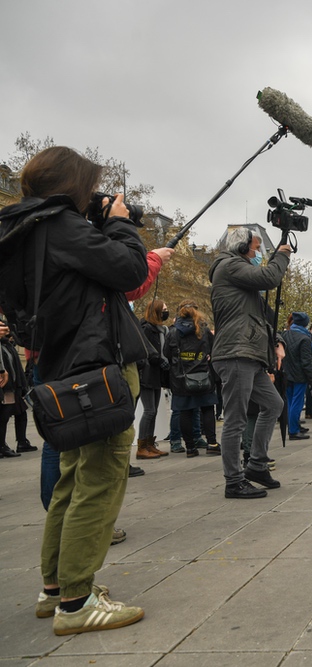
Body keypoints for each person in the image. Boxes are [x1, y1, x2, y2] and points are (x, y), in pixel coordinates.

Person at [0, 146, 148, 634]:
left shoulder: (22, 231)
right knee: (101, 476)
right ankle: (77, 602)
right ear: (73, 186)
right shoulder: (63, 229)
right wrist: (121, 223)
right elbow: (128, 270)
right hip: (97, 365)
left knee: (70, 477)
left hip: (58, 364)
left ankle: (54, 589)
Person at [210, 226, 291, 498]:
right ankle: (233, 481)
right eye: (256, 249)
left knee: (274, 404)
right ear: (243, 248)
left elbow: (265, 314)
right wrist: (281, 256)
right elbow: (270, 277)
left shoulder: (240, 279)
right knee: (235, 419)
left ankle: (256, 464)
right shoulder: (230, 266)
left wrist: (277, 341)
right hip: (235, 352)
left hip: (248, 353)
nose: (259, 254)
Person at [166, 301, 218, 458]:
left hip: (181, 378)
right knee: (207, 409)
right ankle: (212, 444)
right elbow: (214, 347)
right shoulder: (202, 329)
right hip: (203, 375)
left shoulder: (173, 332)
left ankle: (190, 447)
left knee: (185, 411)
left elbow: (167, 353)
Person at [136, 299, 172, 457]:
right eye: (163, 309)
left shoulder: (159, 329)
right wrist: (158, 359)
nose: (166, 311)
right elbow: (146, 350)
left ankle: (149, 444)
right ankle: (142, 445)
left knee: (154, 411)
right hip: (147, 374)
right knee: (149, 410)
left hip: (156, 374)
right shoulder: (146, 328)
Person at [0, 319, 32, 457]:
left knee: (20, 413)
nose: (5, 330)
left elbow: (16, 368)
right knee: (4, 416)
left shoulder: (8, 346)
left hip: (14, 386)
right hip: (6, 387)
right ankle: (2, 445)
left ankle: (21, 442)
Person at [283, 311, 312, 441]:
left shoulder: (284, 335)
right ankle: (294, 430)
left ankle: (294, 425)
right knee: (297, 403)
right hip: (299, 375)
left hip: (286, 373)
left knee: (290, 402)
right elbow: (306, 362)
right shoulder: (305, 339)